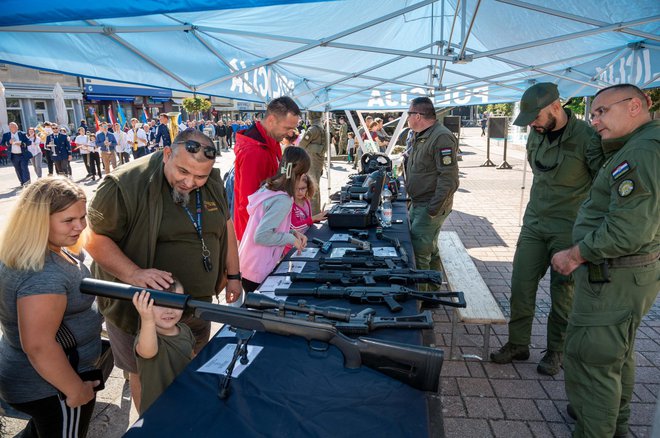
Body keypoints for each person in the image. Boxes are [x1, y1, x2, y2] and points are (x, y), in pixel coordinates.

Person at [85, 127, 241, 411]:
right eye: (183, 171)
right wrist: (134, 274)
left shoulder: (211, 183)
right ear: (167, 153)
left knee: (192, 368)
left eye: (200, 176)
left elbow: (226, 226)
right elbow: (93, 238)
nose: (190, 182)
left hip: (194, 305)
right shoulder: (126, 183)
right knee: (146, 376)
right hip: (141, 313)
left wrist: (233, 275)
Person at [551, 84, 659, 437]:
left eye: (602, 111)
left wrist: (575, 255)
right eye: (592, 113)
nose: (594, 120)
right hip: (629, 273)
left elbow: (627, 230)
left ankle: (595, 427)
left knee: (591, 360)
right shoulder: (639, 144)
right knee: (615, 355)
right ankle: (614, 425)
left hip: (614, 274)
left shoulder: (641, 152)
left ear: (635, 106)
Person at [490, 82, 603, 376]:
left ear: (555, 107)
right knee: (520, 285)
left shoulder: (588, 138)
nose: (533, 125)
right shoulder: (536, 133)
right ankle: (518, 344)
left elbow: (602, 187)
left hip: (570, 228)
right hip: (535, 223)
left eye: (536, 118)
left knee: (563, 292)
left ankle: (556, 351)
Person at [0, 177, 102, 437]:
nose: (80, 226)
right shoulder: (43, 275)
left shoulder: (41, 250)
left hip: (42, 381)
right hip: (52, 388)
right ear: (37, 221)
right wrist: (75, 390)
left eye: (82, 217)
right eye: (68, 220)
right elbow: (38, 345)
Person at [238, 146, 310, 292]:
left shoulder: (270, 188)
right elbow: (262, 235)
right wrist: (290, 238)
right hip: (258, 268)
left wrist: (292, 232)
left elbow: (271, 223)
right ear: (296, 174)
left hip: (248, 263)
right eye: (303, 174)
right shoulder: (283, 200)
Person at [405, 97, 459, 289]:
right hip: (420, 203)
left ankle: (421, 301)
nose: (407, 118)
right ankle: (433, 292)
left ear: (418, 115)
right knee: (431, 249)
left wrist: (432, 209)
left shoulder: (441, 137)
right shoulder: (422, 134)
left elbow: (449, 178)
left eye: (409, 114)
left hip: (429, 205)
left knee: (419, 251)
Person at [234, 96, 301, 241]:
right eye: (287, 128)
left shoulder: (271, 141)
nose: (291, 133)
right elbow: (247, 204)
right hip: (257, 238)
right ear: (271, 120)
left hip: (267, 231)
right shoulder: (254, 152)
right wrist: (253, 244)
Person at [132, 280, 194, 415]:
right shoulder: (146, 337)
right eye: (160, 303)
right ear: (145, 305)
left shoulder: (184, 329)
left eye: (176, 302)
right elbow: (148, 351)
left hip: (184, 402)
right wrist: (147, 319)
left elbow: (192, 356)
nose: (169, 310)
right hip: (158, 411)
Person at [297, 112, 327, 215]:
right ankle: (315, 210)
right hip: (318, 160)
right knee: (316, 185)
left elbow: (301, 145)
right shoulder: (322, 128)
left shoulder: (313, 129)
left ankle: (313, 212)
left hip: (312, 160)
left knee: (311, 186)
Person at [1, 121, 32, 188]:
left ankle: (27, 183)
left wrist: (22, 144)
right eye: (12, 127)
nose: (14, 128)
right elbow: (2, 144)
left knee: (24, 168)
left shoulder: (22, 134)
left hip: (23, 154)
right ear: (9, 128)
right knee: (18, 169)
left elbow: (29, 142)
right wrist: (8, 142)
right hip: (13, 155)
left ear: (17, 127)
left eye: (15, 126)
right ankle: (22, 182)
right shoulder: (6, 135)